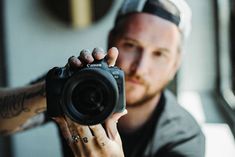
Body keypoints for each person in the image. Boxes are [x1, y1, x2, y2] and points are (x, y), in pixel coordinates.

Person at [0, 0, 205, 156]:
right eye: (131, 45)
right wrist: (56, 89)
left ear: (175, 65)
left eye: (159, 54)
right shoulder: (78, 86)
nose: (140, 68)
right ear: (111, 41)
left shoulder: (183, 137)